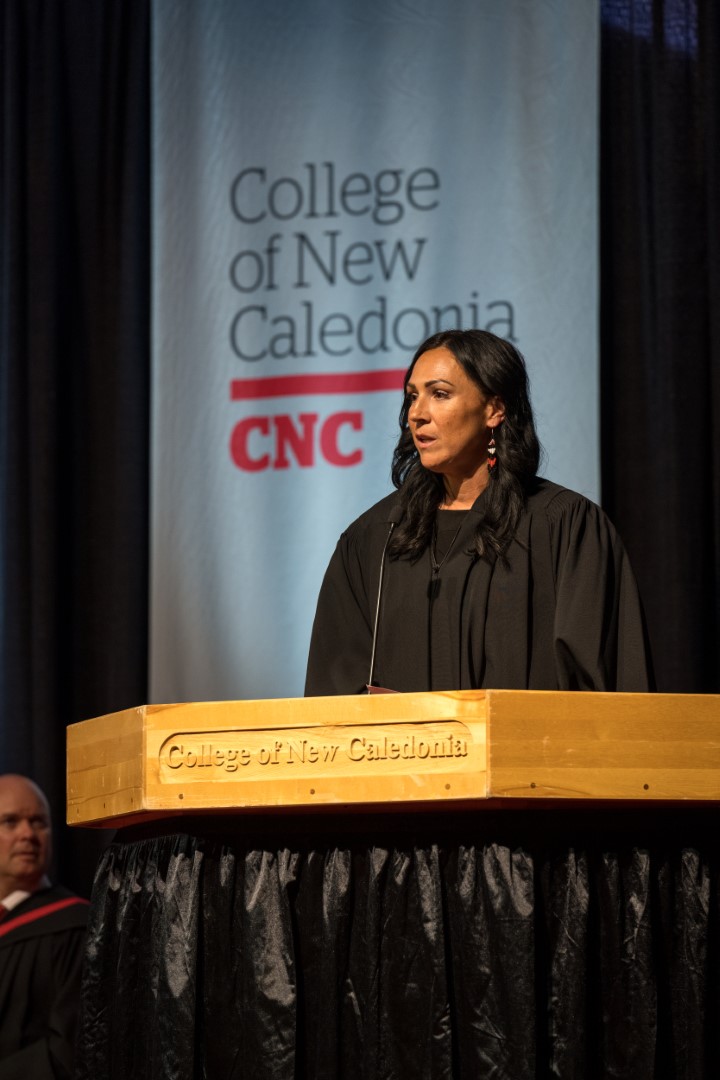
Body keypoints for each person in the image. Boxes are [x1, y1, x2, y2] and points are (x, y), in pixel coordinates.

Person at [305, 329, 653, 695]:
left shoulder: (562, 528)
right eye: (412, 396)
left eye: (440, 394)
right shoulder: (375, 539)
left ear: (495, 409)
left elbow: (605, 692)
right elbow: (334, 695)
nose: (417, 414)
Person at [0, 774, 89, 1080]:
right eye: (10, 822)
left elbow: (69, 1050)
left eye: (39, 822)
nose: (28, 834)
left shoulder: (76, 926)